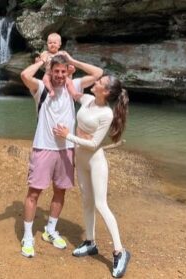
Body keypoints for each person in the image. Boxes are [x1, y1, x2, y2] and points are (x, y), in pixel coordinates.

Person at [20, 53, 102, 258]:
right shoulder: (41, 88)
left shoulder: (74, 85)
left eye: (62, 72)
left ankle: (50, 230)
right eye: (56, 71)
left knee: (60, 191)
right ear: (51, 71)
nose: (59, 75)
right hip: (43, 147)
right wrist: (42, 62)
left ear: (67, 73)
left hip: (66, 149)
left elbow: (98, 73)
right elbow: (24, 74)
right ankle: (28, 237)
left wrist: (72, 61)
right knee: (34, 193)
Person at [53, 75, 131, 278]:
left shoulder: (106, 114)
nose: (95, 83)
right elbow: (72, 90)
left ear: (105, 92)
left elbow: (94, 144)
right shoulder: (87, 100)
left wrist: (67, 136)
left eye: (99, 83)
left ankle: (120, 251)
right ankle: (90, 242)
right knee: (87, 201)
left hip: (95, 162)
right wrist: (68, 68)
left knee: (100, 204)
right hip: (81, 160)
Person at [36, 32, 81, 99]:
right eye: (50, 43)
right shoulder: (45, 53)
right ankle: (51, 90)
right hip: (49, 73)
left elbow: (70, 61)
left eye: (54, 43)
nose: (52, 45)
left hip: (61, 73)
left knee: (68, 81)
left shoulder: (63, 53)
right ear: (47, 44)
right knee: (45, 79)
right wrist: (37, 62)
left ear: (59, 45)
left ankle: (74, 93)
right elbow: (40, 64)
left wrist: (71, 68)